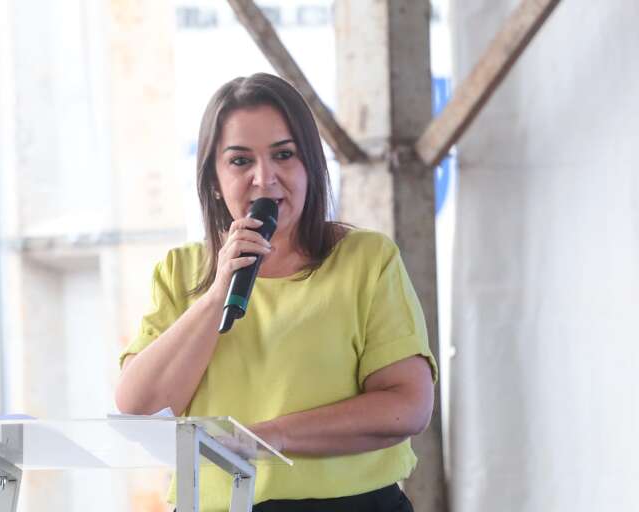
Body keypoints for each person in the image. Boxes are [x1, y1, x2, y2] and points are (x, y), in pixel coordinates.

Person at [115, 72, 437, 512]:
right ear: (213, 178)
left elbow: (407, 406)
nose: (264, 179)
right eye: (240, 161)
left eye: (284, 155)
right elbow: (141, 409)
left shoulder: (366, 259)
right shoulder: (181, 271)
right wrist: (215, 294)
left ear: (310, 166)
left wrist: (274, 437)